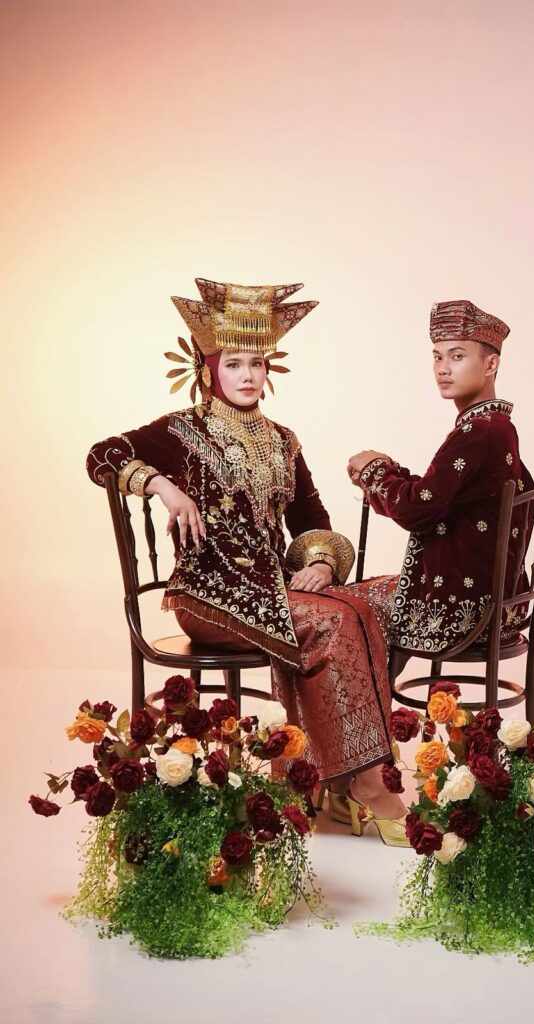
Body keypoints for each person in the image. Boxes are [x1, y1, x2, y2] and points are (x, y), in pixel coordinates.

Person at [86, 279, 407, 842]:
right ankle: (365, 784)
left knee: (374, 600)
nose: (247, 375)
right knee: (334, 620)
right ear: (209, 369)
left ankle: (329, 777)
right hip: (207, 596)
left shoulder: (283, 441)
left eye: (256, 363)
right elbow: (101, 456)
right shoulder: (180, 431)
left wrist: (321, 564)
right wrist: (162, 485)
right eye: (233, 364)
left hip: (275, 590)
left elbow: (312, 518)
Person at [347, 298, 534, 656]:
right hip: (491, 599)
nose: (443, 369)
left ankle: (365, 696)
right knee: (354, 599)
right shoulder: (495, 426)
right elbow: (437, 494)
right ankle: (378, 692)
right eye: (437, 357)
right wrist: (388, 469)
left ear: (491, 364)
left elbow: (415, 509)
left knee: (338, 608)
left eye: (457, 356)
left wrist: (374, 470)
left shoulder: (480, 431)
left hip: (464, 610)